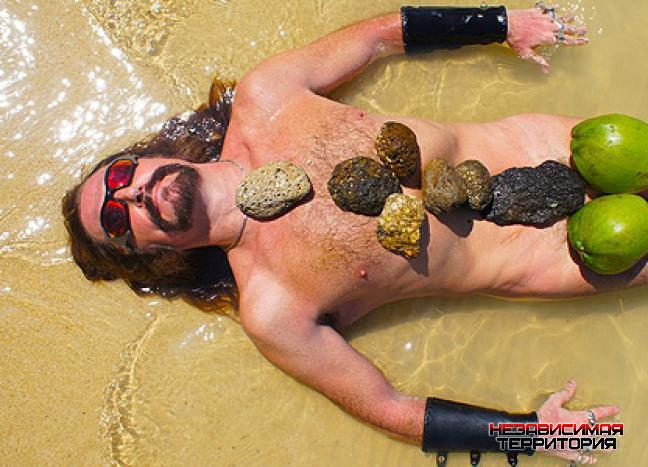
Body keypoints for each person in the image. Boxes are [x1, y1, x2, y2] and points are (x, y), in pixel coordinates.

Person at [62, 4, 645, 465]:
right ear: (153, 256)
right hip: (555, 258)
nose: (129, 195)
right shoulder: (272, 310)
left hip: (548, 146)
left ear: (142, 157)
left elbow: (375, 38)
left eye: (118, 177)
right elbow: (387, 408)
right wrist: (535, 434)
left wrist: (501, 25)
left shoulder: (266, 96)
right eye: (115, 220)